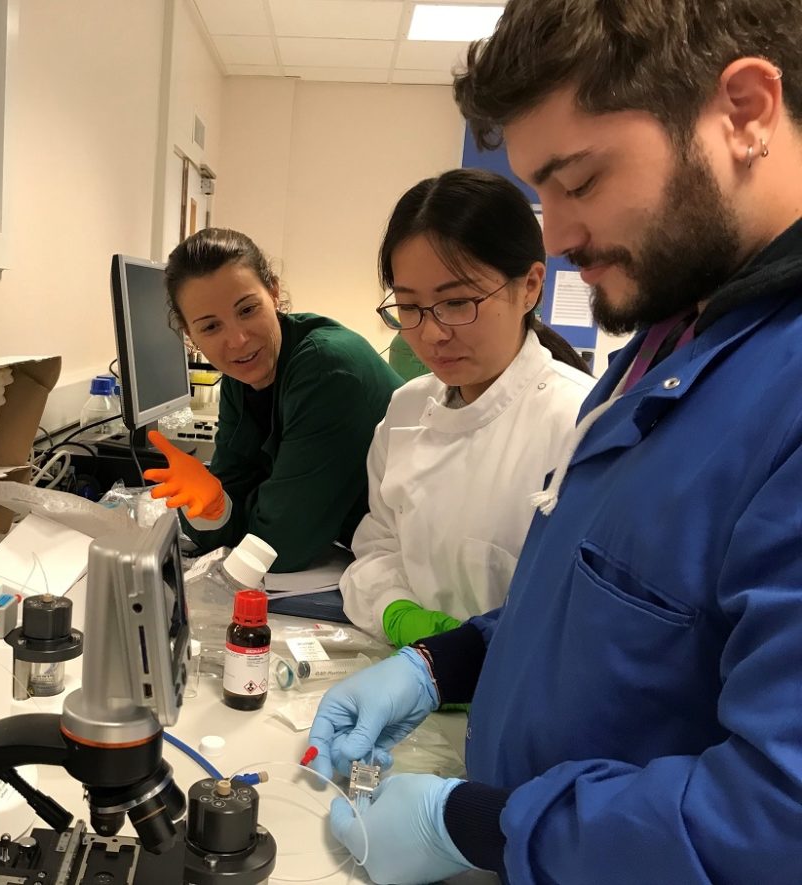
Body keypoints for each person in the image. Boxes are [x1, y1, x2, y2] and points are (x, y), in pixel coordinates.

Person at [307, 1, 802, 882]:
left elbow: (775, 817)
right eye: (542, 194)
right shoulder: (667, 348)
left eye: (578, 180)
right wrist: (441, 659)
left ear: (747, 111)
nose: (560, 238)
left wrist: (481, 824)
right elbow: (590, 609)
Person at [341, 169, 594, 648]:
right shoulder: (407, 411)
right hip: (404, 677)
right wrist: (396, 612)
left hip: (513, 704)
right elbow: (377, 546)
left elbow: (582, 615)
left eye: (457, 302)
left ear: (530, 286)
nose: (432, 334)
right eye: (410, 307)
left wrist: (471, 657)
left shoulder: (578, 423)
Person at [145, 228, 402, 573]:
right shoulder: (244, 378)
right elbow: (233, 510)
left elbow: (278, 546)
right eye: (210, 327)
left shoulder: (328, 370)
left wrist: (237, 508)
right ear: (190, 336)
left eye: (248, 310)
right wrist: (214, 509)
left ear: (274, 293)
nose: (237, 340)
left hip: (421, 563)